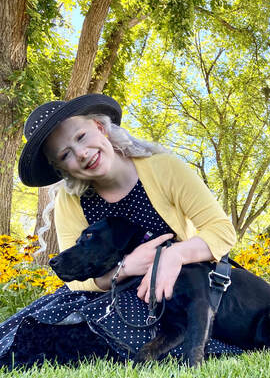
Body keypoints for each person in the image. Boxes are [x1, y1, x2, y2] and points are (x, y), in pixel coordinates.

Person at [0, 94, 242, 369]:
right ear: (60, 168)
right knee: (36, 338)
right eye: (65, 154)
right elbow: (75, 279)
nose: (81, 153)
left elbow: (221, 230)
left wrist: (173, 255)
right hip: (104, 296)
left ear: (100, 127)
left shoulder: (164, 168)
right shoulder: (70, 201)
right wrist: (123, 269)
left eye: (80, 137)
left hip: (165, 293)